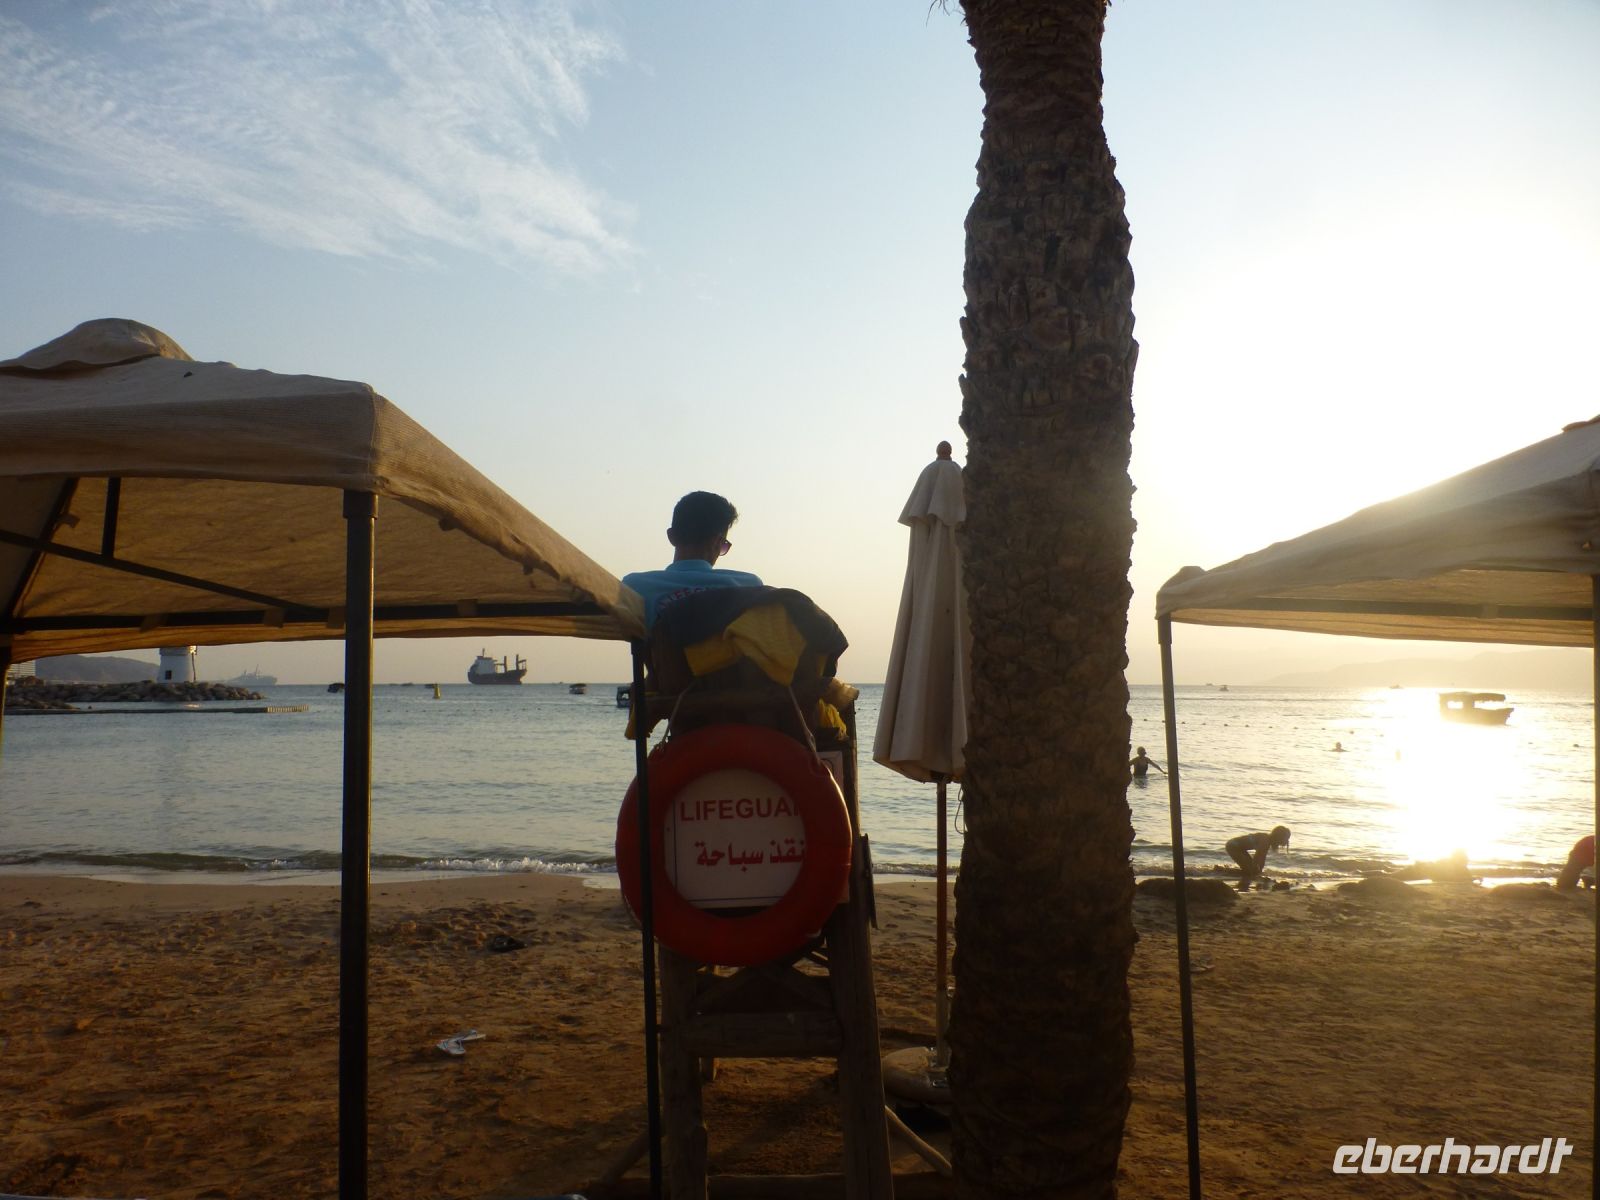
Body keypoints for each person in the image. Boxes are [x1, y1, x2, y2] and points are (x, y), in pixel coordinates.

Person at [621, 491, 763, 628]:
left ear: (671, 536)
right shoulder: (750, 586)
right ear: (716, 543)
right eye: (724, 546)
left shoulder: (634, 586)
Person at [1225, 825, 1291, 880]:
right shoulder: (1265, 840)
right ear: (1279, 836)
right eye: (1286, 838)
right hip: (1233, 846)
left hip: (1239, 848)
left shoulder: (1267, 840)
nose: (1287, 841)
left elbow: (1262, 859)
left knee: (1253, 871)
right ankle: (1225, 873)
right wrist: (1255, 872)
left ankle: (1225, 871)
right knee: (1249, 871)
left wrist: (1259, 872)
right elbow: (1256, 857)